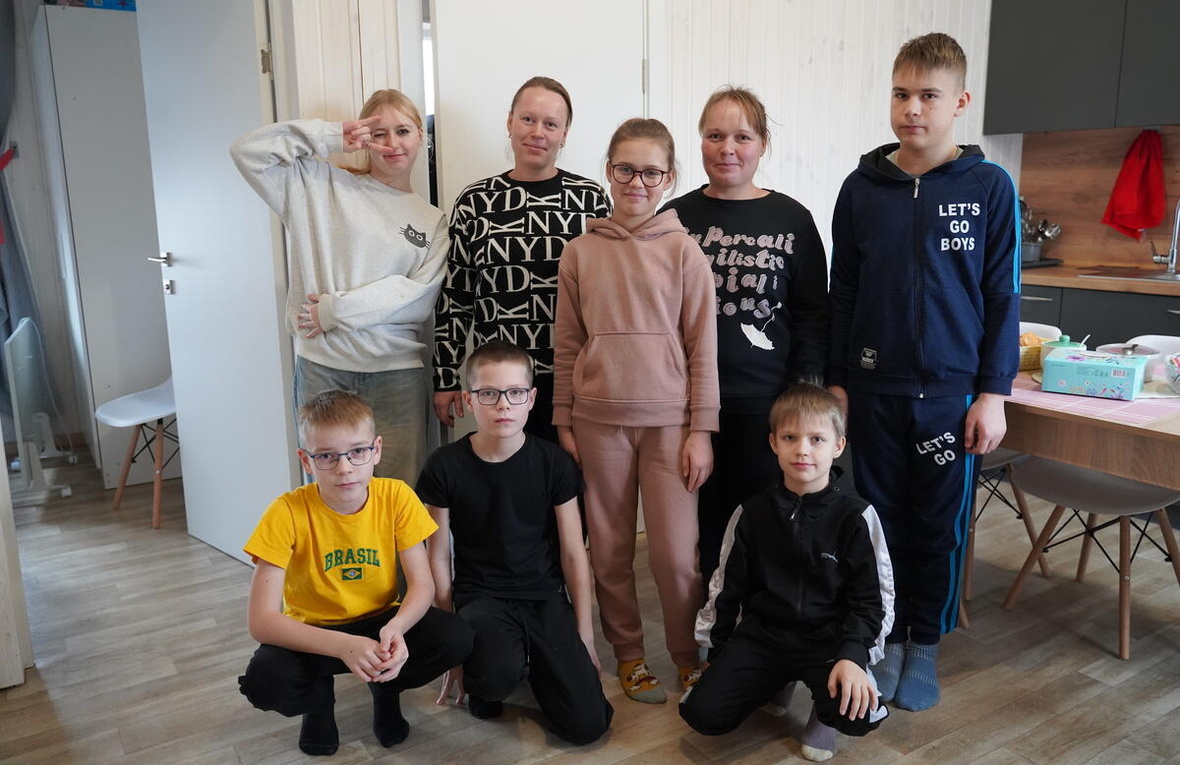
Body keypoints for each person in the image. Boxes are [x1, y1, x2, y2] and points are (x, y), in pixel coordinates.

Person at [827, 32, 1020, 712]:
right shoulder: (861, 188)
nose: (913, 108)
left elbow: (1003, 295)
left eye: (929, 95)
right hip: (872, 390)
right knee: (877, 523)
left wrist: (993, 393)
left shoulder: (989, 187)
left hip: (951, 395)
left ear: (960, 102)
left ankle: (925, 644)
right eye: (901, 93)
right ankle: (883, 636)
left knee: (937, 525)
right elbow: (843, 292)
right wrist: (838, 381)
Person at [553, 118, 719, 704]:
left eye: (651, 172)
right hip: (598, 423)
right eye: (625, 169)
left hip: (671, 426)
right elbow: (567, 344)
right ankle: (628, 654)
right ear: (608, 171)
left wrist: (702, 430)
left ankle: (686, 655)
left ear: (669, 178)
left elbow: (703, 348)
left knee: (676, 556)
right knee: (610, 550)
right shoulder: (579, 252)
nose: (637, 182)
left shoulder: (684, 251)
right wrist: (563, 419)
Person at [237, 390, 473, 756]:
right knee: (265, 680)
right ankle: (318, 703)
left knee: (455, 636)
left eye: (357, 451)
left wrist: (395, 630)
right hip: (314, 632)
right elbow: (262, 622)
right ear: (306, 460)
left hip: (379, 622)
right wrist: (343, 646)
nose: (345, 468)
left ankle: (386, 686)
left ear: (376, 450)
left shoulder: (396, 496)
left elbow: (422, 586)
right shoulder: (286, 512)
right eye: (326, 456)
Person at [231, 89, 447, 484]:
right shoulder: (316, 185)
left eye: (403, 131)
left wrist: (335, 311)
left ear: (421, 135)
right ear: (364, 138)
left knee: (397, 494)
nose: (392, 143)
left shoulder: (432, 220)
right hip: (323, 368)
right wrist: (331, 137)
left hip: (396, 374)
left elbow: (416, 298)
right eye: (378, 133)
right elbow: (247, 152)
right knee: (327, 494)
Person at [661, 85, 829, 586]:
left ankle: (765, 621)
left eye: (742, 137)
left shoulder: (793, 219)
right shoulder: (673, 219)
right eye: (715, 136)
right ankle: (712, 623)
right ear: (700, 141)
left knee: (767, 529)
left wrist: (803, 397)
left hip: (767, 405)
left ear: (762, 145)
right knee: (703, 533)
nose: (727, 149)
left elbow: (812, 314)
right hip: (689, 406)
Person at [680, 384, 893, 761]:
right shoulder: (752, 512)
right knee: (703, 714)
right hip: (765, 635)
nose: (803, 450)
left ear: (838, 446)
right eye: (790, 438)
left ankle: (823, 714)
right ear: (774, 443)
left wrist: (853, 655)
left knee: (857, 715)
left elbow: (873, 598)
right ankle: (776, 681)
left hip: (827, 642)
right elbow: (726, 586)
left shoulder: (856, 516)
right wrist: (717, 651)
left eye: (816, 439)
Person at [417, 340, 613, 745]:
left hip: (543, 595)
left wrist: (584, 638)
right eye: (489, 393)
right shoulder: (445, 466)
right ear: (469, 400)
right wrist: (452, 647)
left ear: (531, 398)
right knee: (493, 680)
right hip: (481, 596)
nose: (503, 404)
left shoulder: (553, 463)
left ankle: (534, 659)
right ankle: (499, 665)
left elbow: (573, 553)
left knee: (588, 726)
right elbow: (438, 555)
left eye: (515, 393)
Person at [432, 76, 611, 442]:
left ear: (564, 134)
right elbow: (456, 297)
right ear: (510, 122)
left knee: (568, 475)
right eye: (528, 119)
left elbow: (607, 297)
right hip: (498, 385)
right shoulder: (476, 202)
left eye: (551, 124)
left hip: (572, 380)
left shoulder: (590, 200)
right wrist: (445, 376)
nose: (537, 132)